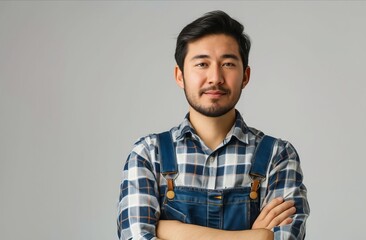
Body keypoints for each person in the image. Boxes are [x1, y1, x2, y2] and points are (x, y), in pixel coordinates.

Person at [117, 10, 309, 240]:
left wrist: (169, 229)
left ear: (245, 76)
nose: (215, 77)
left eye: (228, 64)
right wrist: (254, 236)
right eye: (202, 64)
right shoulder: (149, 154)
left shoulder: (278, 156)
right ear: (180, 76)